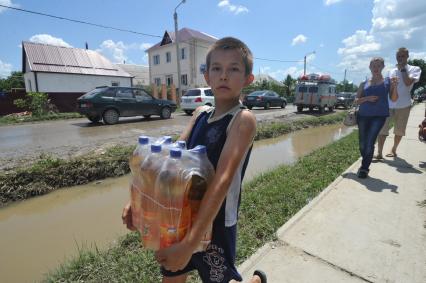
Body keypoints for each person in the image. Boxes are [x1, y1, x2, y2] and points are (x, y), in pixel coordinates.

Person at [122, 37, 266, 283]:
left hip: (217, 221)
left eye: (233, 69)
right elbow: (167, 162)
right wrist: (138, 203)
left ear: (247, 80)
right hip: (179, 215)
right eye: (217, 68)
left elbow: (222, 181)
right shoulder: (200, 114)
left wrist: (190, 243)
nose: (223, 76)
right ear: (207, 77)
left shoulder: (243, 120)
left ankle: (255, 281)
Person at [355, 57, 398, 178]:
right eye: (373, 66)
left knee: (369, 142)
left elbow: (394, 99)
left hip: (379, 116)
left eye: (379, 66)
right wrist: (367, 98)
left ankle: (364, 168)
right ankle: (366, 159)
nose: (376, 68)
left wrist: (394, 86)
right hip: (363, 115)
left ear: (383, 67)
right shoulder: (364, 83)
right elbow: (356, 101)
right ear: (369, 67)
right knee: (362, 144)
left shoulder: (388, 81)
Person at [376, 47, 422, 158]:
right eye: (398, 56)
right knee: (382, 128)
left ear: (407, 56)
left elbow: (407, 83)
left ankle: (394, 149)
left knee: (399, 130)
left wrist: (402, 69)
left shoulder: (415, 69)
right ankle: (379, 152)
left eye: (402, 56)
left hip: (404, 105)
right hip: (388, 105)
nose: (400, 58)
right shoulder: (390, 71)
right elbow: (385, 88)